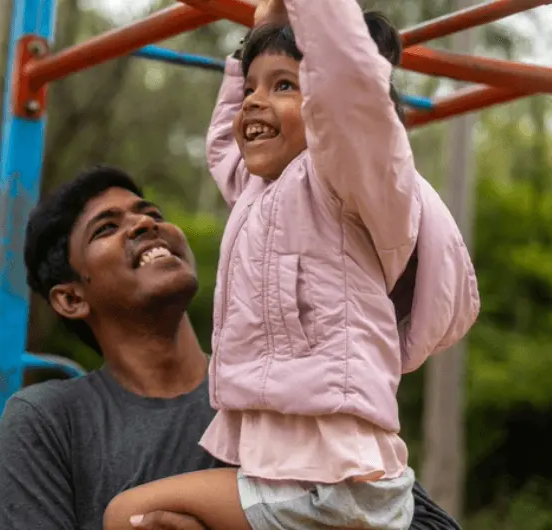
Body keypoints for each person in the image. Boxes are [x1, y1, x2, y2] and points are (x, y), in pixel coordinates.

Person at [102, 0, 479, 530]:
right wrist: (261, 30)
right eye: (251, 88)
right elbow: (222, 149)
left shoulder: (350, 181)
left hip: (338, 481)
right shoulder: (259, 191)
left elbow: (349, 90)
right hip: (295, 477)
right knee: (159, 522)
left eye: (283, 86)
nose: (254, 102)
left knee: (128, 515)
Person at [0, 165, 465, 530]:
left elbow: (420, 521)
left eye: (151, 214)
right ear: (71, 298)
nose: (144, 225)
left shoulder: (285, 386)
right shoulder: (49, 420)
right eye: (106, 228)